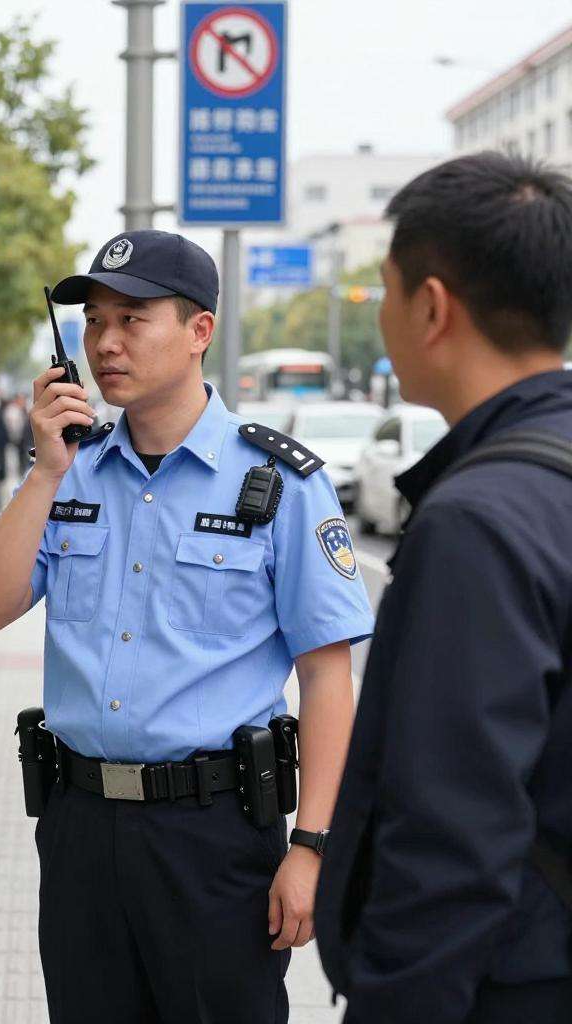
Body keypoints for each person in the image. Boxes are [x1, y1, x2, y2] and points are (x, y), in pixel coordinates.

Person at [0, 229, 375, 1023]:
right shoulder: (69, 471)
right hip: (79, 825)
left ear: (198, 332)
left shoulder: (277, 483)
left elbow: (327, 677)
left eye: (131, 319)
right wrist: (45, 469)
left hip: (213, 836)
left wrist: (312, 847)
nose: (106, 343)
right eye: (93, 323)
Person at [315, 153, 572, 1024]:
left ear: (430, 308)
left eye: (387, 292)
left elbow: (449, 844)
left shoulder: (478, 522)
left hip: (512, 984)